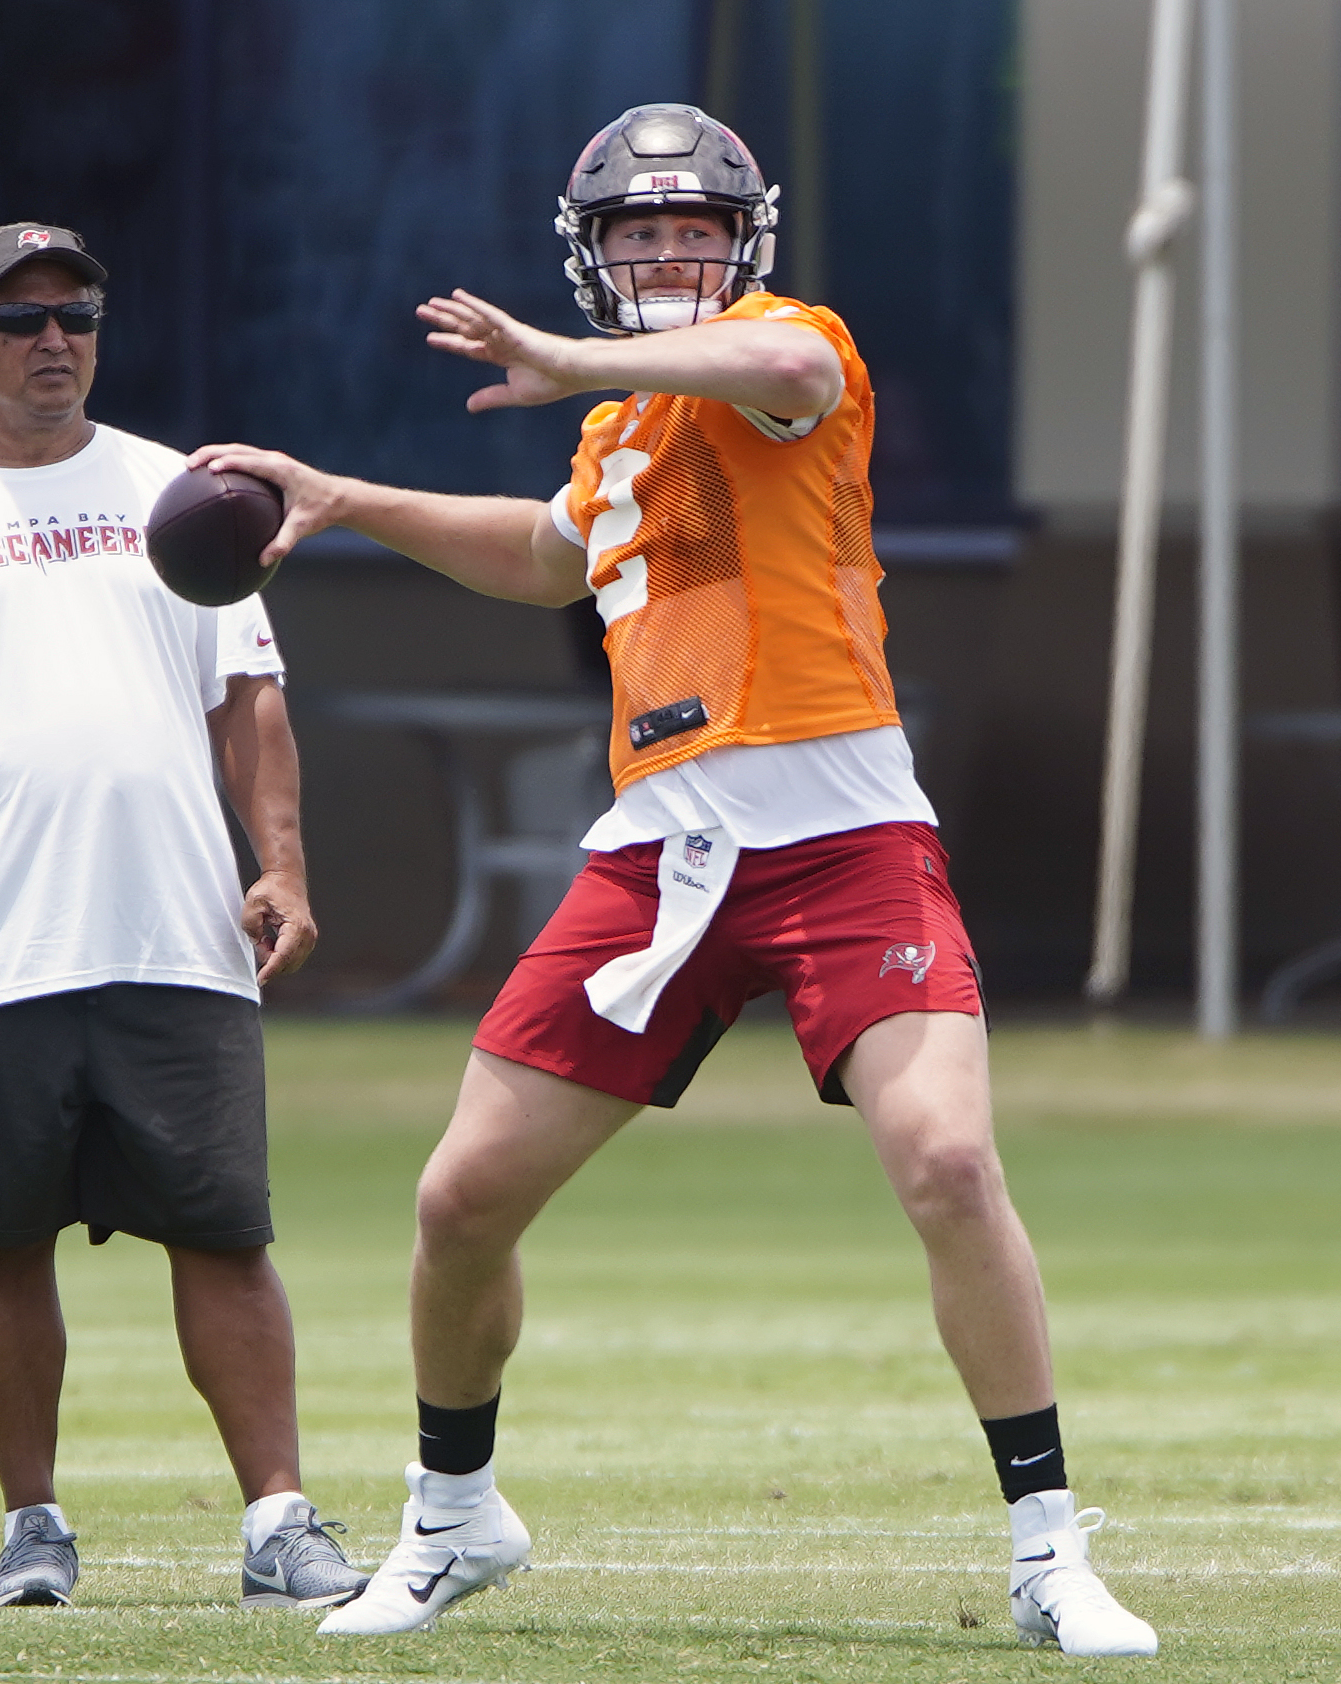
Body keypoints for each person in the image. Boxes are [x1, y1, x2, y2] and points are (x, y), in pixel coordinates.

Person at [190, 108, 1157, 1656]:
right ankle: (454, 1517)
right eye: (638, 236)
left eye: (692, 229)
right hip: (663, 847)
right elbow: (550, 557)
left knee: (949, 1164)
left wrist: (576, 364)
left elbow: (779, 381)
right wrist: (347, 495)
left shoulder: (788, 345)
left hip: (843, 835)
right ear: (592, 250)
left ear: (743, 241)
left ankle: (1050, 1550)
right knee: (460, 1198)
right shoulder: (622, 421)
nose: (666, 256)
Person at [0, 221, 367, 1615]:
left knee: (224, 1233)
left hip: (172, 933)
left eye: (76, 315)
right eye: (19, 317)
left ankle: (279, 1521)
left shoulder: (187, 496)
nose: (54, 340)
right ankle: (33, 1526)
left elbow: (250, 700)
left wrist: (280, 864)